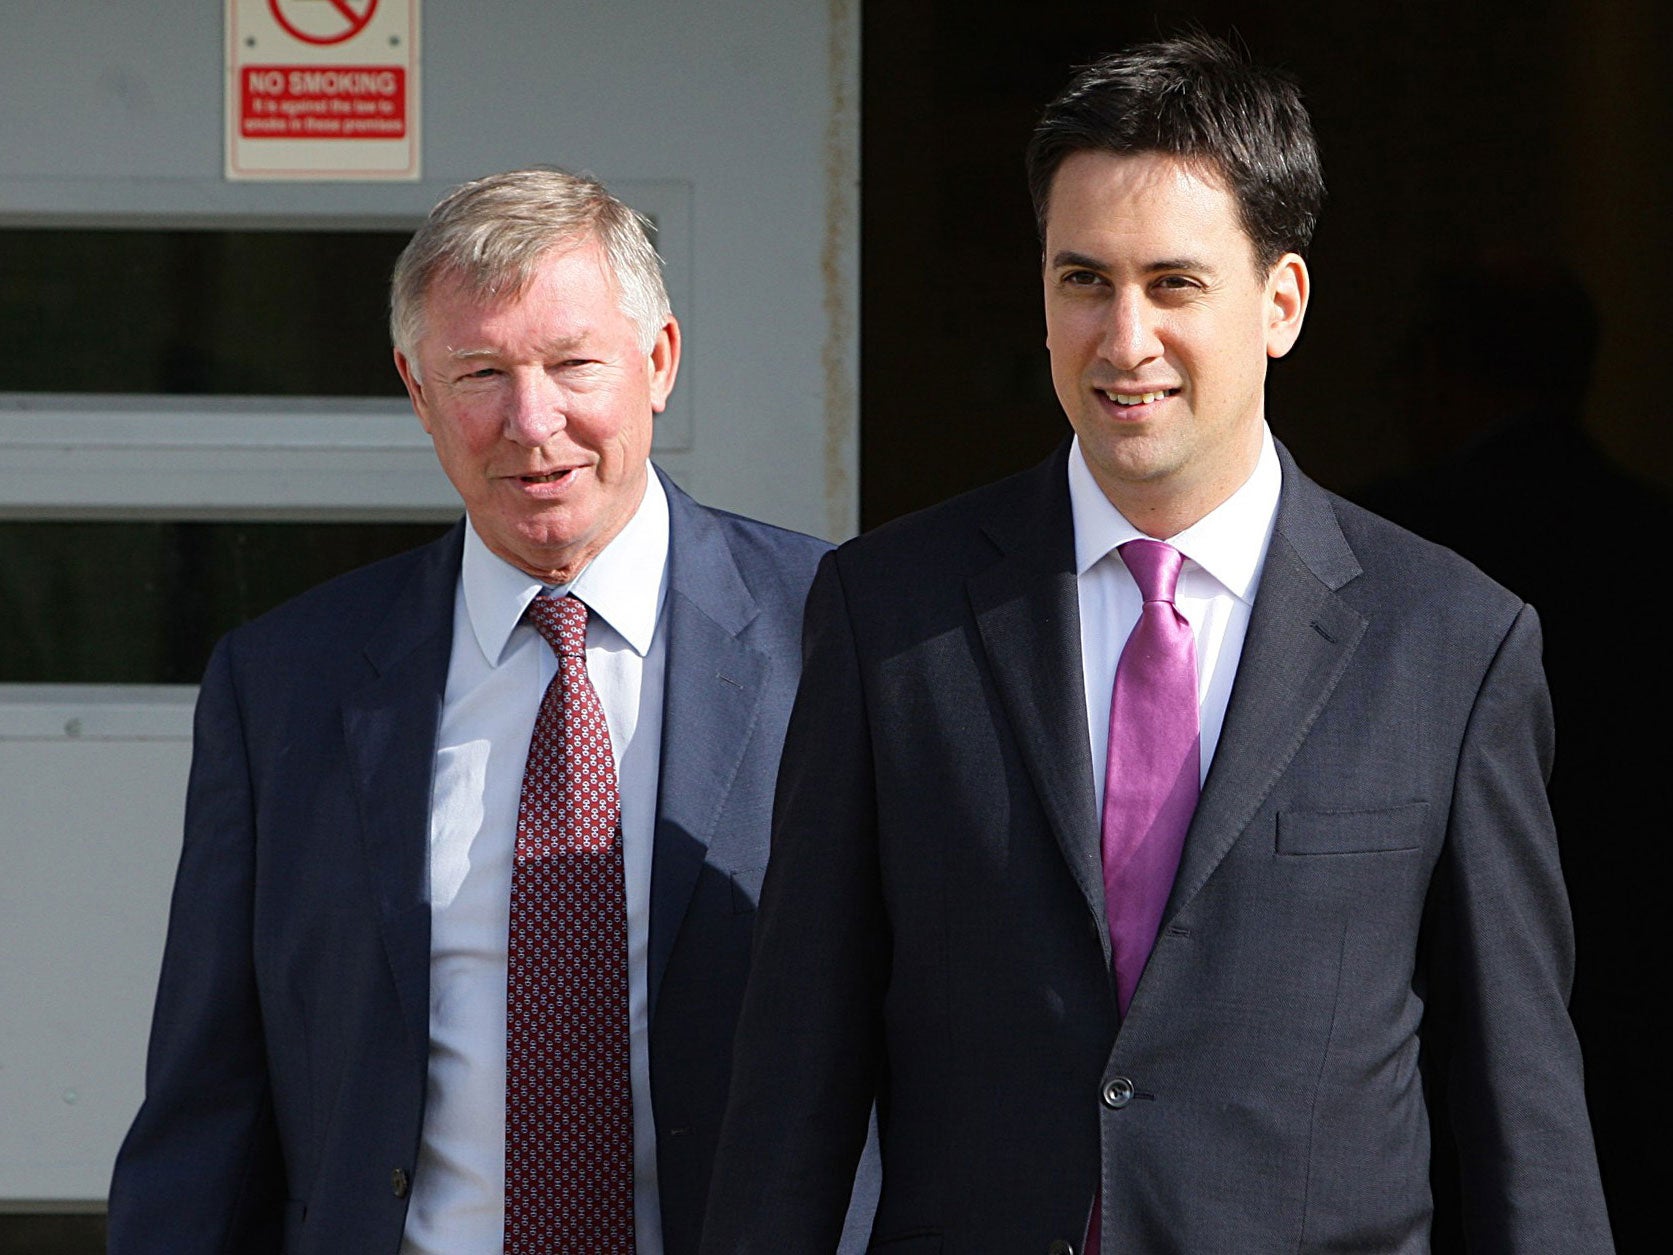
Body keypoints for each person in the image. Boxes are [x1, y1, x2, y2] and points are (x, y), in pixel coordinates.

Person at [701, 35, 1613, 1253]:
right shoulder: (888, 614)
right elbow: (795, 1066)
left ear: (1279, 303)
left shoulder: (1449, 641)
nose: (1122, 338)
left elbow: (1520, 1106)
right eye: (1082, 279)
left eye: (1173, 284)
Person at [108, 168, 876, 1254]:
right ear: (417, 391)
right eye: (480, 371)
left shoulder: (848, 638)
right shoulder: (285, 684)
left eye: (572, 364)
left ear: (656, 362)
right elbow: (207, 1104)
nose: (532, 420)